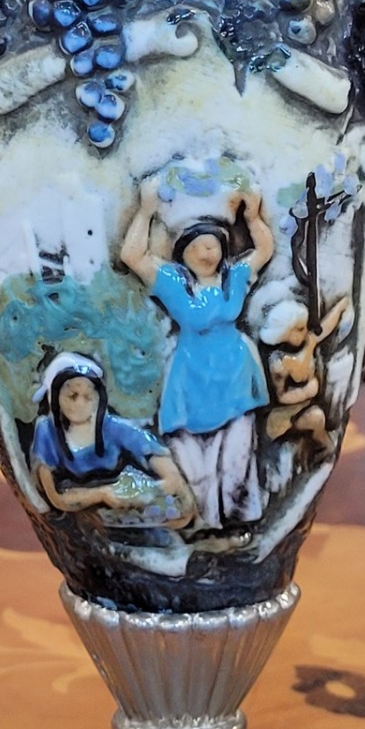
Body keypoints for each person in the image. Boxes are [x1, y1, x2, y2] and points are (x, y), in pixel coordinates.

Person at [120, 178, 275, 529]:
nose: (206, 253)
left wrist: (253, 217)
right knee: (195, 468)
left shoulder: (234, 277)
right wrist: (145, 210)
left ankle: (237, 520)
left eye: (212, 245)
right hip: (191, 378)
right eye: (197, 247)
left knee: (237, 460)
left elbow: (264, 250)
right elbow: (132, 256)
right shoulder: (174, 283)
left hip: (234, 373)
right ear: (183, 252)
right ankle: (205, 526)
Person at [29, 352, 192, 525]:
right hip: (75, 522)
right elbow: (56, 498)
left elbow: (151, 452)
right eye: (72, 396)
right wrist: (101, 494)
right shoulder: (46, 432)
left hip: (127, 516)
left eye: (88, 396)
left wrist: (162, 484)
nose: (80, 404)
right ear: (54, 397)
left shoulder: (112, 428)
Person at [260, 293, 348, 448]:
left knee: (318, 418)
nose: (306, 331)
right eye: (300, 329)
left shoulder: (308, 342)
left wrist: (340, 308)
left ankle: (324, 447)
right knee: (316, 418)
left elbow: (325, 328)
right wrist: (309, 390)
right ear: (286, 333)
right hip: (287, 414)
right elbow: (281, 396)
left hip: (305, 406)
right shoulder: (279, 363)